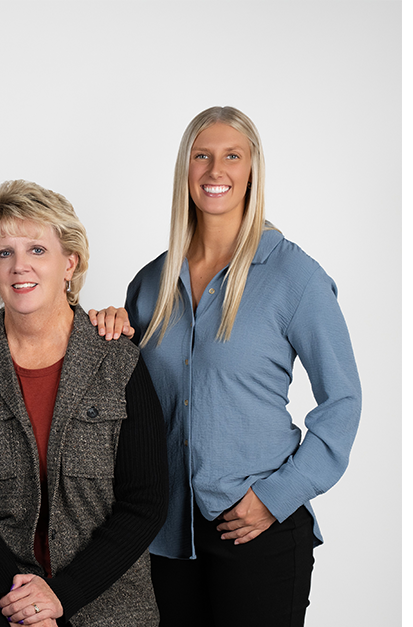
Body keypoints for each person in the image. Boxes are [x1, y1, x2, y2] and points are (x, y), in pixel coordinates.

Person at [124, 106, 361, 626]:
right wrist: (101, 326)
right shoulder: (150, 284)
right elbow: (129, 405)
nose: (216, 171)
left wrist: (275, 498)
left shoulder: (294, 276)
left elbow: (343, 401)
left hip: (261, 533)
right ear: (185, 170)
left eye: (232, 156)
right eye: (201, 156)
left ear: (252, 170)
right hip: (168, 539)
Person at [0, 180, 169, 627]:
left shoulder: (119, 362)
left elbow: (146, 501)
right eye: (5, 253)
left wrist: (62, 596)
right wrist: (22, 596)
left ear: (69, 262)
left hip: (103, 587)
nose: (20, 266)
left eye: (37, 250)